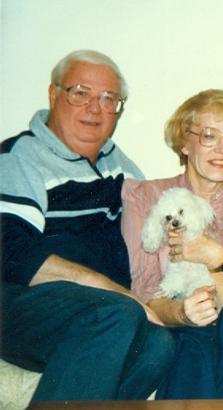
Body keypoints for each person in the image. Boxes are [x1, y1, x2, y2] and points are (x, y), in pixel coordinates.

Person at [0, 50, 174, 402]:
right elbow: (11, 252)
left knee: (160, 344)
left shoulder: (121, 166)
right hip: (19, 303)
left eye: (109, 99)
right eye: (81, 93)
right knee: (117, 313)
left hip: (98, 314)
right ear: (54, 94)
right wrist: (115, 292)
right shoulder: (21, 157)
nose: (95, 108)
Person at [121, 89, 223, 399]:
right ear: (184, 143)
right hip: (176, 326)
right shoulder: (145, 197)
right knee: (192, 344)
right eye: (209, 136)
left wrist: (216, 257)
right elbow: (144, 289)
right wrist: (183, 312)